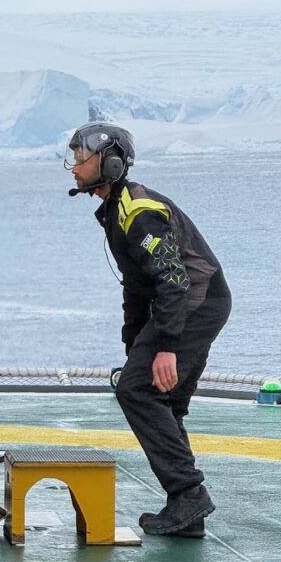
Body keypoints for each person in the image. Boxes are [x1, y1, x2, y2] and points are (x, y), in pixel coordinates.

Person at [65, 122, 231, 537]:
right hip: (196, 301)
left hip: (195, 301)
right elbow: (137, 288)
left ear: (111, 161)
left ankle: (189, 493)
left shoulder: (137, 212)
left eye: (80, 157)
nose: (73, 166)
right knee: (163, 399)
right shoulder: (116, 209)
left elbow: (173, 280)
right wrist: (134, 345)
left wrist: (165, 347)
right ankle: (186, 510)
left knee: (137, 389)